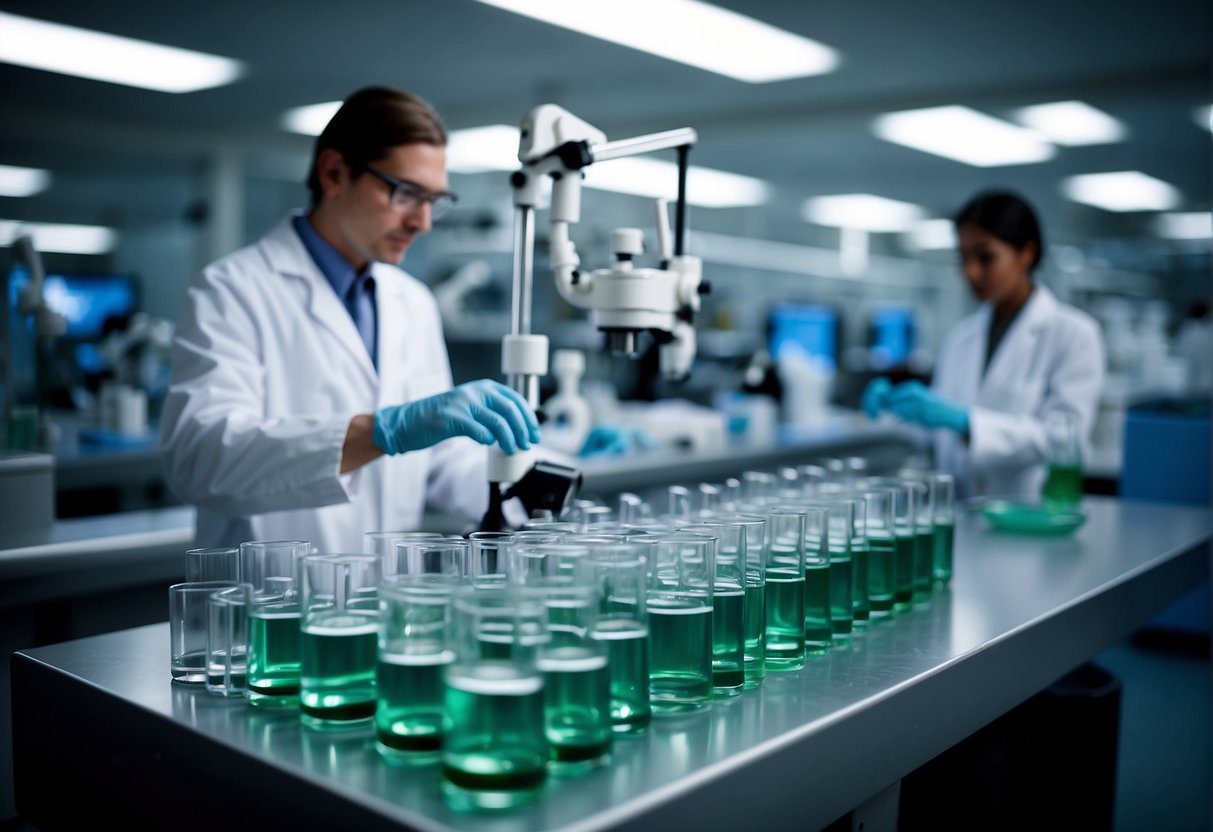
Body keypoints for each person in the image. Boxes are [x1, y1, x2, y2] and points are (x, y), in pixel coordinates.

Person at [160, 87, 540, 551]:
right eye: (405, 194)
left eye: (434, 201)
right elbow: (203, 460)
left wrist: (534, 479)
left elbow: (439, 459)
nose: (422, 222)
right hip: (274, 598)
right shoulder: (230, 290)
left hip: (382, 597)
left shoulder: (413, 302)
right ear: (335, 173)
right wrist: (382, 430)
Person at [863, 191, 1105, 498]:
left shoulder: (1074, 334)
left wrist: (968, 423)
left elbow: (1066, 441)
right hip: (961, 513)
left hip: (1028, 516)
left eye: (985, 257)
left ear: (1027, 253)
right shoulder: (961, 337)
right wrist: (899, 409)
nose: (970, 272)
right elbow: (940, 432)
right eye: (963, 258)